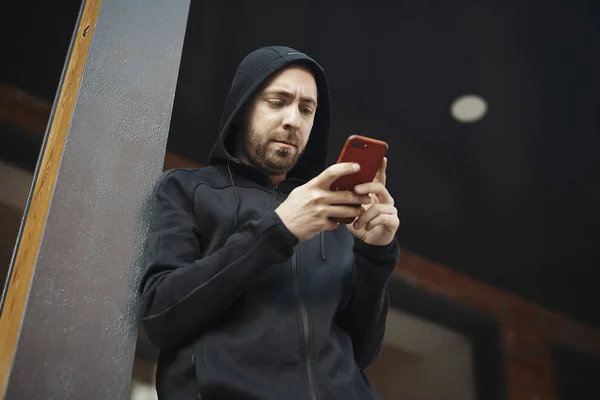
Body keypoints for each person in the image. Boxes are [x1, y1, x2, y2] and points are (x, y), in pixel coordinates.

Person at [139, 45, 400, 400]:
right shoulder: (187, 189)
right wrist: (279, 229)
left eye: (306, 109)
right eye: (277, 102)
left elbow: (361, 352)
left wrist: (375, 255)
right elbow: (160, 314)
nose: (293, 120)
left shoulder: (333, 216)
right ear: (243, 107)